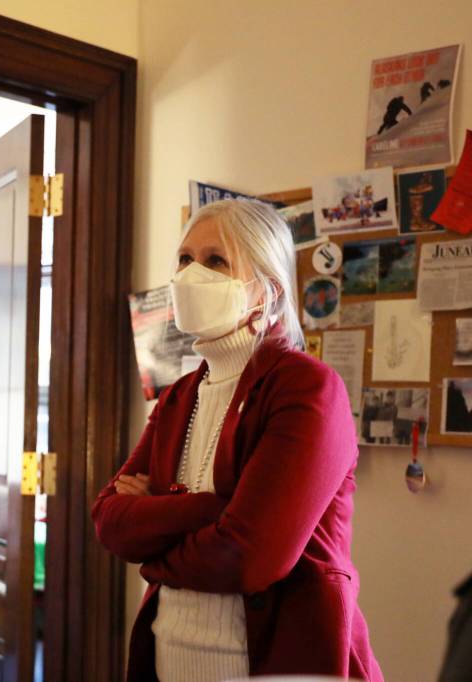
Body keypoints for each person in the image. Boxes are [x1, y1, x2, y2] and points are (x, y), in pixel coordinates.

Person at [92, 199, 382, 682]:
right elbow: (110, 521)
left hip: (279, 665)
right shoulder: (179, 396)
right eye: (184, 259)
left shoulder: (306, 387)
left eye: (215, 261)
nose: (190, 274)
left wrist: (157, 534)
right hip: (170, 659)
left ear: (266, 291)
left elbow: (250, 558)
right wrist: (213, 508)